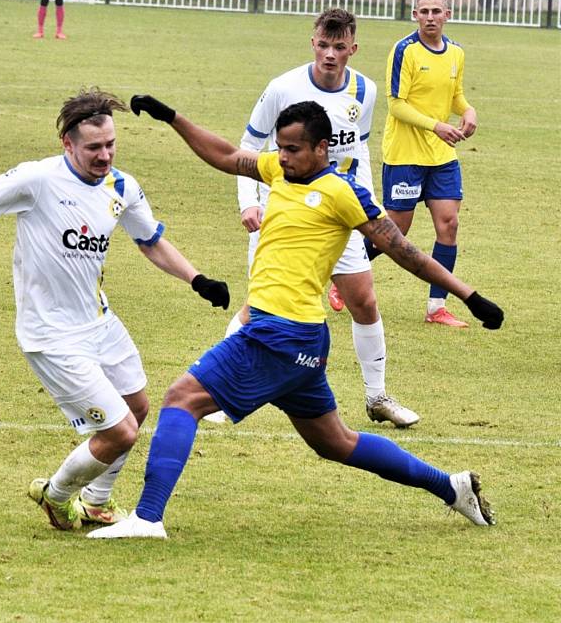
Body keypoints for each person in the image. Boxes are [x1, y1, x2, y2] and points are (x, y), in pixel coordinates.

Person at [87, 95, 503, 539]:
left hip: (280, 335)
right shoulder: (278, 172)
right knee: (337, 442)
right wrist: (172, 118)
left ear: (322, 147)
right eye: (280, 148)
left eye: (293, 149)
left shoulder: (342, 193)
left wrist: (468, 296)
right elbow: (227, 155)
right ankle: (452, 487)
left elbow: (407, 253)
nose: (282, 157)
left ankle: (148, 519)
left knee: (181, 399)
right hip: (300, 340)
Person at [0, 88, 230, 532]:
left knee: (137, 406)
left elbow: (151, 242)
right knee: (120, 432)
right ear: (67, 144)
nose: (105, 155)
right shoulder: (37, 180)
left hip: (100, 323)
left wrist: (196, 279)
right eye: (93, 148)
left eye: (110, 144)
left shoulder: (121, 187)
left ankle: (96, 502)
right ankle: (57, 496)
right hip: (51, 334)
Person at [209, 7, 418, 428]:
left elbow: (356, 153)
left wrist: (367, 208)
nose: (329, 54)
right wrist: (248, 202)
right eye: (323, 45)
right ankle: (217, 393)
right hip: (284, 213)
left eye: (339, 47)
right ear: (313, 44)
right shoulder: (282, 88)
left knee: (365, 301)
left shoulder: (365, 90)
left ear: (352, 49)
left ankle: (377, 397)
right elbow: (246, 148)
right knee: (259, 307)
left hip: (338, 214)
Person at [365, 0, 478, 327]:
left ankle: (436, 307)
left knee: (449, 224)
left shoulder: (456, 52)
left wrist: (468, 109)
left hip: (441, 156)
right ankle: (345, 270)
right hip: (405, 154)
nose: (430, 17)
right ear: (415, 15)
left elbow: (455, 94)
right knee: (396, 230)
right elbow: (397, 104)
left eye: (436, 11)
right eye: (423, 11)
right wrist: (436, 126)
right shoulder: (404, 51)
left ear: (448, 15)